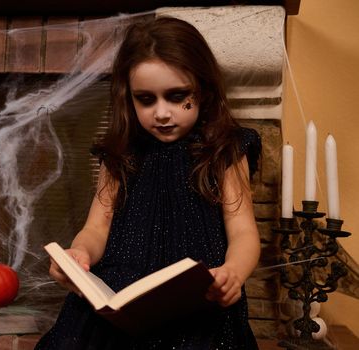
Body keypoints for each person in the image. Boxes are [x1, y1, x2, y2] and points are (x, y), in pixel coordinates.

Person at [35, 16, 261, 349]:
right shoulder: (121, 153)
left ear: (204, 90)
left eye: (177, 96)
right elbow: (97, 228)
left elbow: (243, 231)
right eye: (146, 99)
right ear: (129, 97)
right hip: (122, 299)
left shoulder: (225, 149)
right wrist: (79, 254)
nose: (162, 113)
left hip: (198, 302)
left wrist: (234, 272)